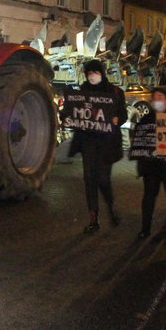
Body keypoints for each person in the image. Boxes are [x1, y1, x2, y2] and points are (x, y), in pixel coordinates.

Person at [65, 60, 128, 234]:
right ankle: (93, 219)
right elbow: (72, 112)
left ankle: (111, 206)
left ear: (102, 73)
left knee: (102, 179)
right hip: (88, 143)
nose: (92, 76)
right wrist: (68, 116)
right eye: (89, 73)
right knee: (89, 179)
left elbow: (122, 113)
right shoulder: (81, 93)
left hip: (107, 144)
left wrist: (117, 119)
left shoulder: (115, 92)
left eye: (95, 72)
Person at [129, 88, 166, 238]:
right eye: (154, 97)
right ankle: (145, 228)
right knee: (149, 196)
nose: (156, 100)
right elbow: (139, 138)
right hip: (151, 166)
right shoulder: (145, 119)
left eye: (160, 97)